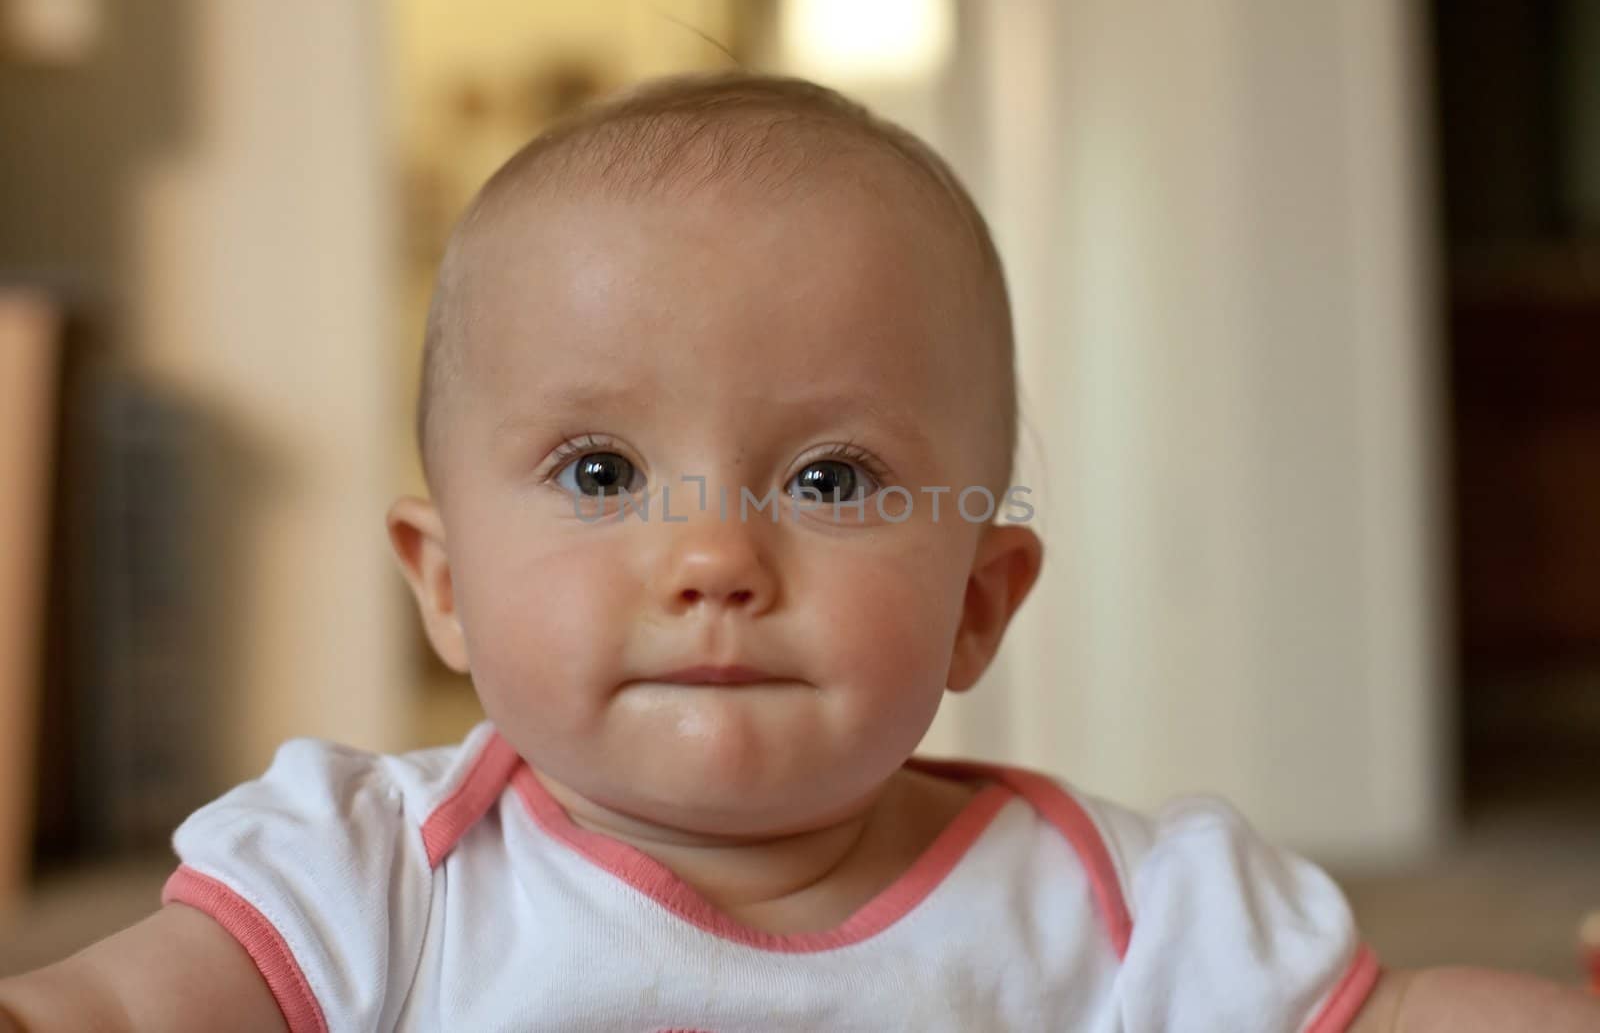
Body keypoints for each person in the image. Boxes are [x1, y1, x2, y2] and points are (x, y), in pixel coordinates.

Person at [2, 71, 1596, 1033]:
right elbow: (112, 1009)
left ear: (980, 603)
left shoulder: (1132, 912)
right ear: (443, 585)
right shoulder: (367, 875)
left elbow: (1391, 1019)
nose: (713, 554)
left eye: (833, 479)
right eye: (601, 468)